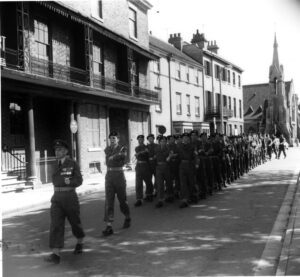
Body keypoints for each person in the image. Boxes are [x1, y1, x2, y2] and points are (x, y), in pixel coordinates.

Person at [45, 139, 85, 264]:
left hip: (70, 197)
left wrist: (71, 182)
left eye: (60, 149)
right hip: (57, 197)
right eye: (56, 150)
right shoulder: (53, 164)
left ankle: (80, 241)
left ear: (66, 151)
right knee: (56, 224)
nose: (57, 152)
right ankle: (55, 254)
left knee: (75, 223)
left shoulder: (72, 163)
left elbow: (79, 180)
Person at [102, 131, 131, 236]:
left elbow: (123, 158)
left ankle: (127, 216)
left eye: (114, 138)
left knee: (122, 200)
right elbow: (108, 160)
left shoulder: (123, 149)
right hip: (109, 176)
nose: (112, 140)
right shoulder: (107, 149)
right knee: (109, 201)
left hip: (119, 176)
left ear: (118, 139)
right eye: (111, 138)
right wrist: (115, 156)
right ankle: (109, 225)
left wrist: (114, 157)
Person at [134, 134, 153, 206]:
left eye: (141, 139)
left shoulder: (147, 147)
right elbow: (138, 154)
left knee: (148, 181)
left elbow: (148, 155)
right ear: (138, 140)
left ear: (143, 140)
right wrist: (144, 152)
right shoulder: (137, 148)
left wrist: (144, 152)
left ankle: (149, 195)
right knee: (138, 183)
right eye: (139, 140)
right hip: (139, 166)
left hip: (146, 166)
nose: (140, 141)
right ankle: (139, 199)